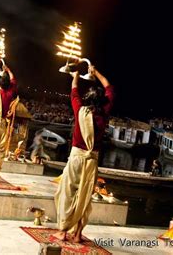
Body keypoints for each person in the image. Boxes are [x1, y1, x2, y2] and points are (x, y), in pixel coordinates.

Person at [53, 65, 114, 243]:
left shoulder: (81, 110)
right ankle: (78, 234)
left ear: (88, 100)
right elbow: (109, 86)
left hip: (77, 158)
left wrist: (76, 76)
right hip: (92, 160)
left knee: (68, 193)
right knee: (85, 197)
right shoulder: (104, 114)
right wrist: (96, 72)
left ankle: (63, 231)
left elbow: (74, 91)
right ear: (102, 101)